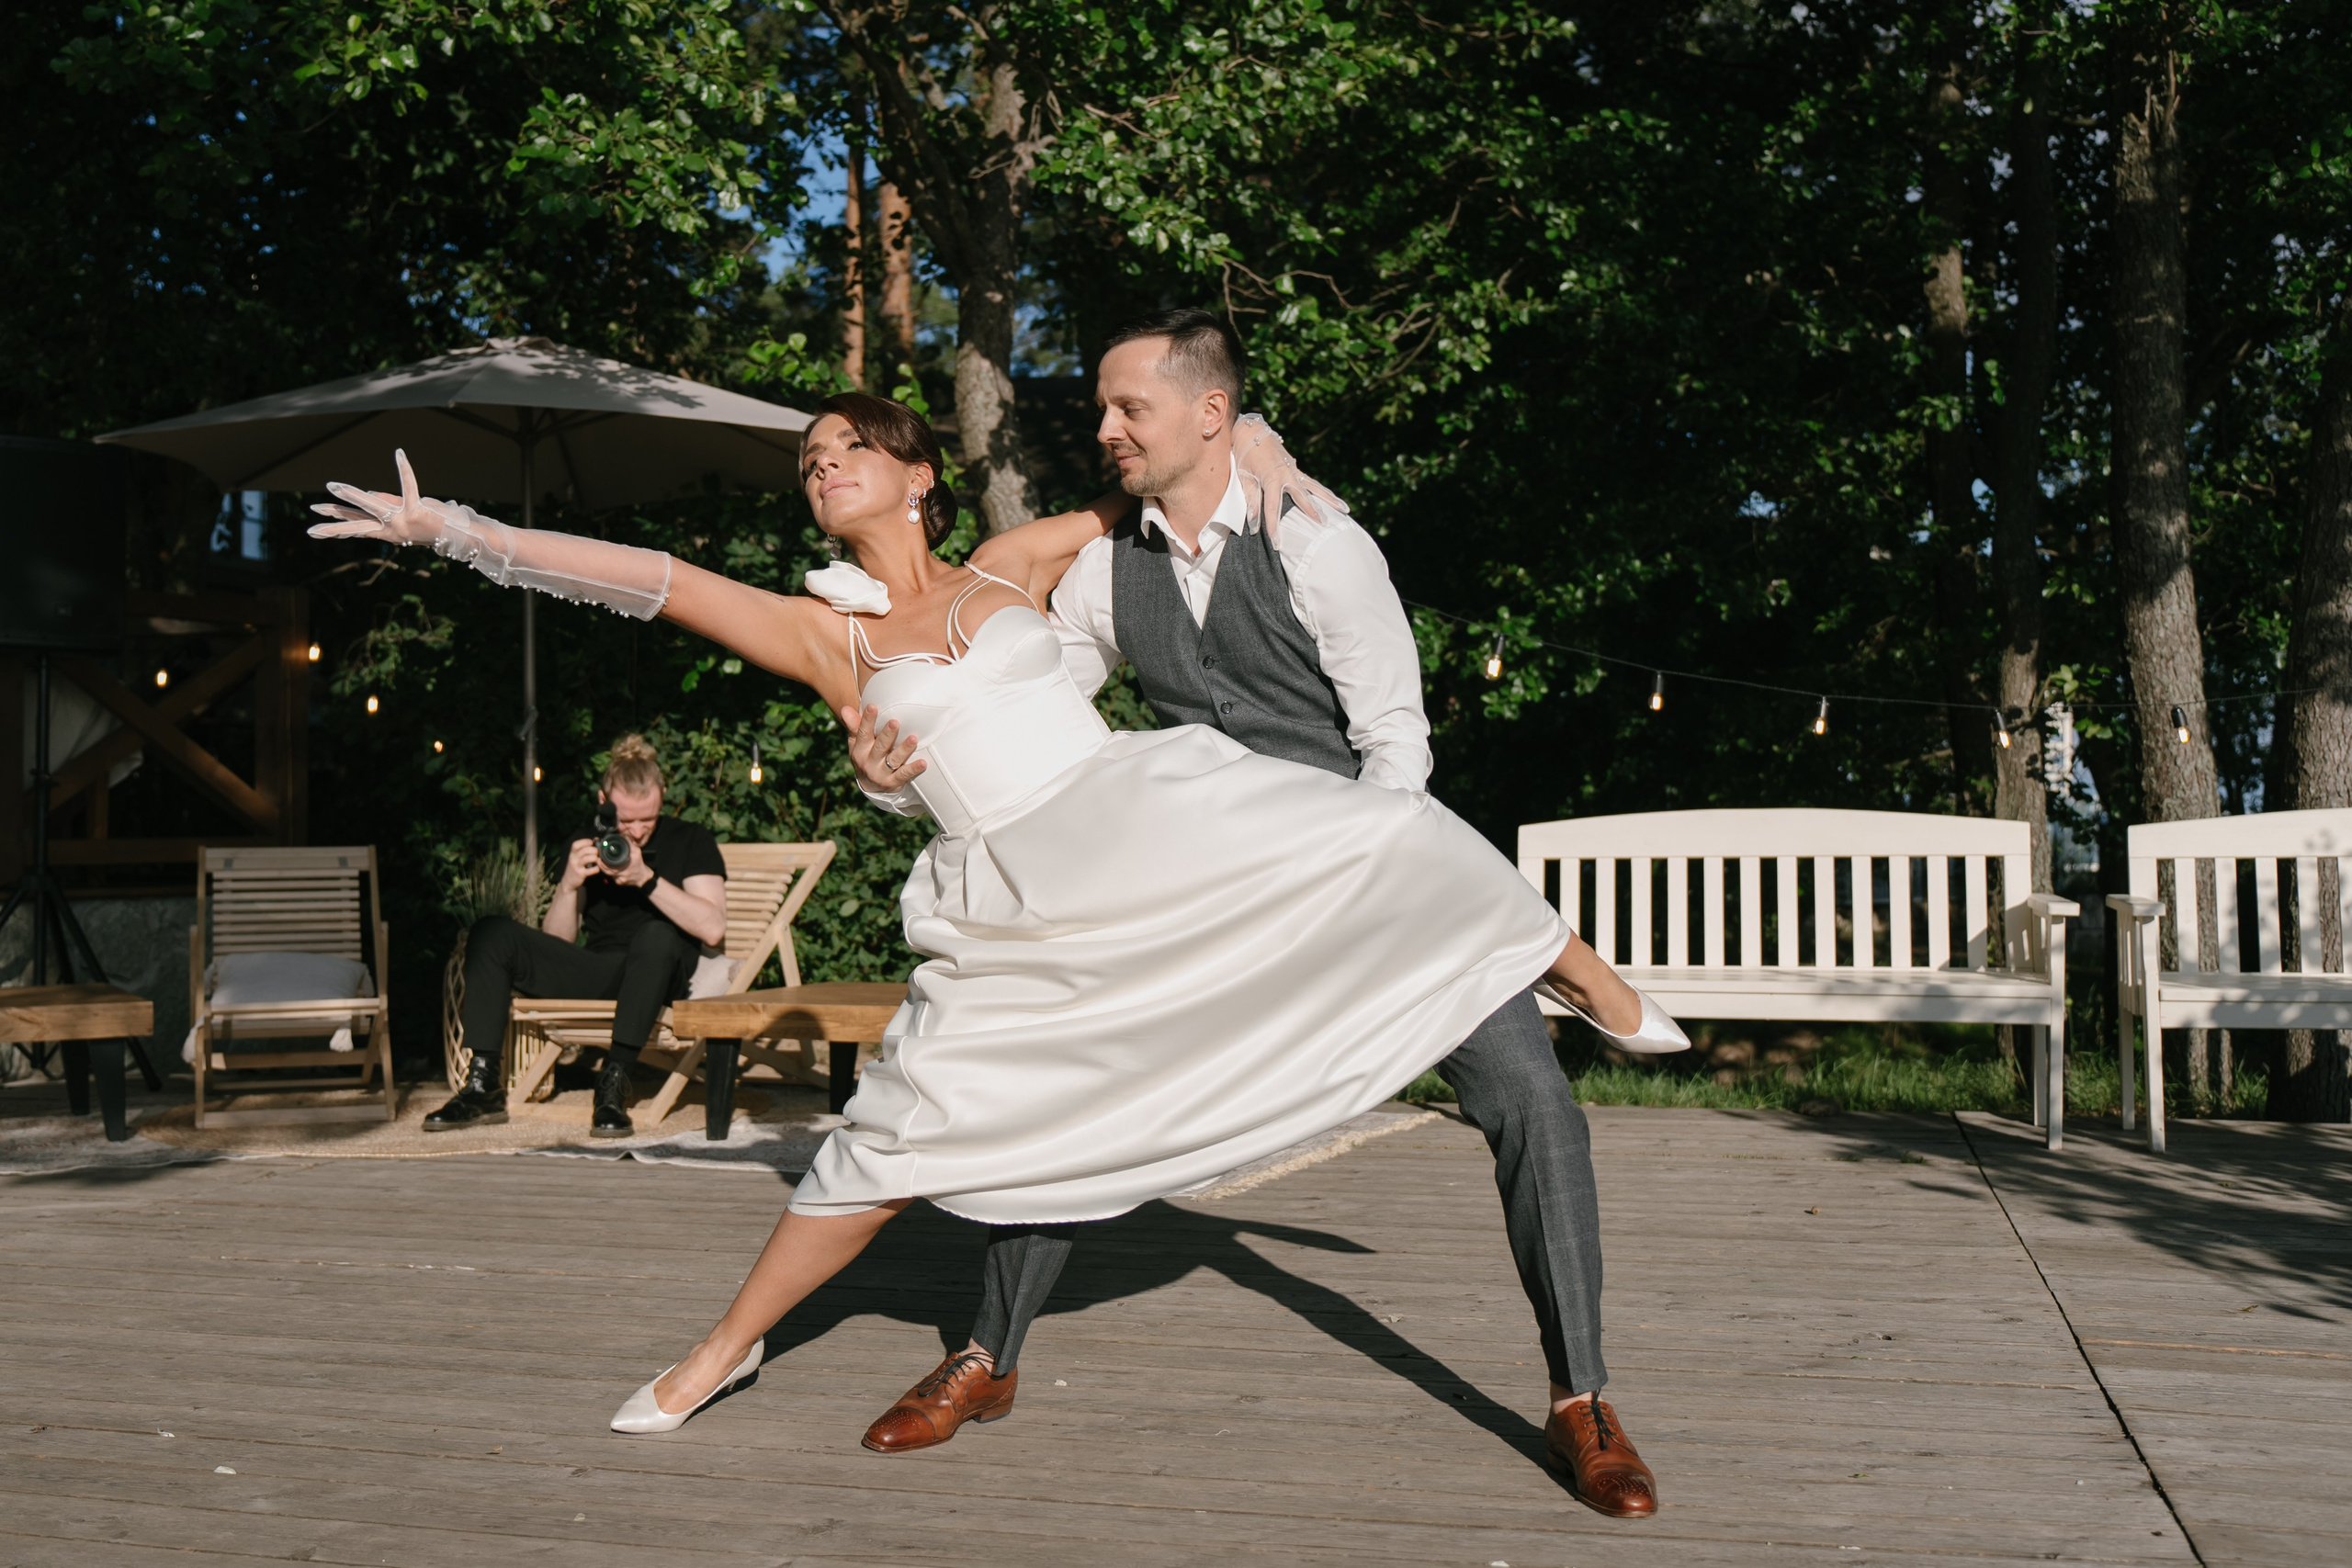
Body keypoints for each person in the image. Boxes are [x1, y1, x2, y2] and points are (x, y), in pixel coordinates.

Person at [306, 382, 1680, 1515]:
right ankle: (724, 1350)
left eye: (850, 447)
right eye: (809, 460)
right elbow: (652, 578)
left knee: (1387, 826)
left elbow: (1168, 479)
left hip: (1146, 819)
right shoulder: (825, 632)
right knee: (895, 1134)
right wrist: (461, 528)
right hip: (1019, 889)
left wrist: (1257, 437)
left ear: (917, 476)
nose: (823, 466)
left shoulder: (1016, 563)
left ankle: (1583, 972)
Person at [841, 308, 1680, 1517]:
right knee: (1063, 1091)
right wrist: (899, 769)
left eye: (1130, 407)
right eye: (1102, 406)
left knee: (1531, 1097)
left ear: (1211, 414)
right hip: (1202, 890)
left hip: (1380, 880)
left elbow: (1398, 747)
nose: (1105, 427)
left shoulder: (1323, 545)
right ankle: (988, 1354)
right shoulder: (1101, 570)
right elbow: (1020, 728)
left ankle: (1583, 1395)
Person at [427, 736, 728, 1138]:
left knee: (655, 933)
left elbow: (713, 927)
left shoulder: (691, 839)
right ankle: (483, 1086)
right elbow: (559, 940)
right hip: (599, 971)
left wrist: (646, 879)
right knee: (491, 932)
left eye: (648, 819)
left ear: (663, 799)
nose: (636, 833)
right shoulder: (588, 843)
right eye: (625, 821)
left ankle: (613, 1084)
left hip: (659, 973)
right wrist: (568, 886)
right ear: (603, 801)